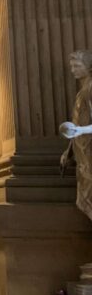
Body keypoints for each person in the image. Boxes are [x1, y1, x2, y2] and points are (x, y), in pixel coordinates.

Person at [60, 50, 92, 220]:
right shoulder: (83, 91)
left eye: (77, 66)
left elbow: (81, 128)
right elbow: (77, 125)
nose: (73, 70)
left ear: (89, 67)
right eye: (72, 66)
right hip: (84, 156)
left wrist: (81, 130)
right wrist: (69, 151)